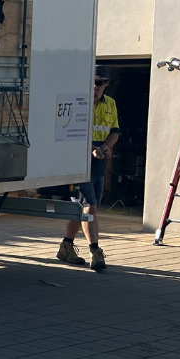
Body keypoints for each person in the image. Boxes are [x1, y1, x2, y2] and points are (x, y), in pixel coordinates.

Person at [57, 66, 119, 272]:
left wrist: (106, 148)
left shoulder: (110, 104)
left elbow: (115, 132)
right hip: (78, 161)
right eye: (93, 81)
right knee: (89, 206)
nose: (95, 86)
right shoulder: (78, 102)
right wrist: (91, 149)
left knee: (83, 207)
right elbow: (68, 132)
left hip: (99, 161)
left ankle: (66, 246)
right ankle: (95, 251)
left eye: (100, 83)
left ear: (106, 85)